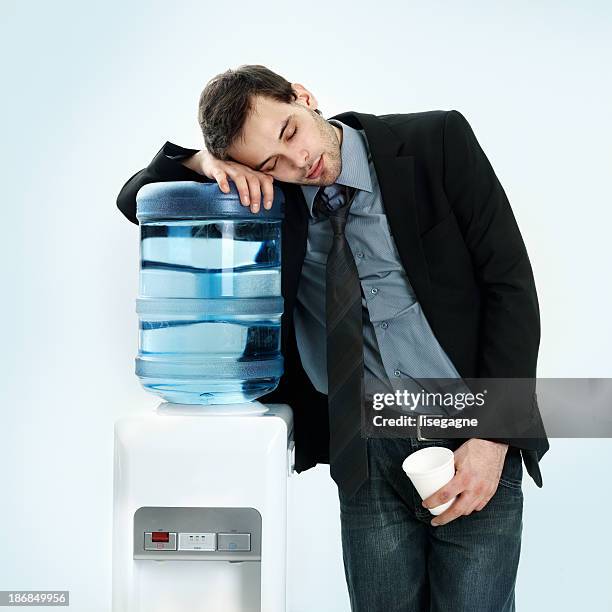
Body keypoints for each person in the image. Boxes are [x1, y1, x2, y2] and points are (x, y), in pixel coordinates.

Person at [116, 64, 548, 611]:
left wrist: (493, 439)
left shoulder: (436, 141)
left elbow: (510, 286)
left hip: (472, 431)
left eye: (290, 131)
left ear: (302, 96)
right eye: (271, 162)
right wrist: (206, 163)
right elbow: (136, 199)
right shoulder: (270, 199)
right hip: (363, 451)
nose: (298, 162)